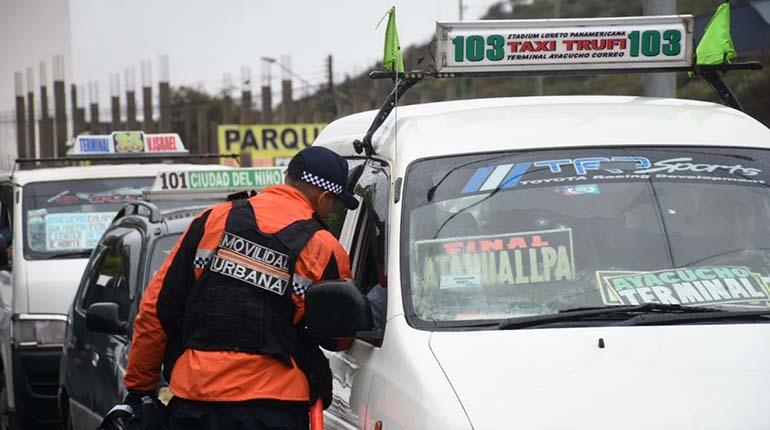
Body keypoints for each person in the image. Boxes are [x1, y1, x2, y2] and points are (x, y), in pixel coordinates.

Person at [114, 146, 359, 430]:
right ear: (324, 196)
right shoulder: (324, 247)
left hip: (197, 400)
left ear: (287, 177)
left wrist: (140, 389)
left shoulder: (213, 220)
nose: (332, 212)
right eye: (334, 204)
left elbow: (157, 310)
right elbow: (340, 337)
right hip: (274, 407)